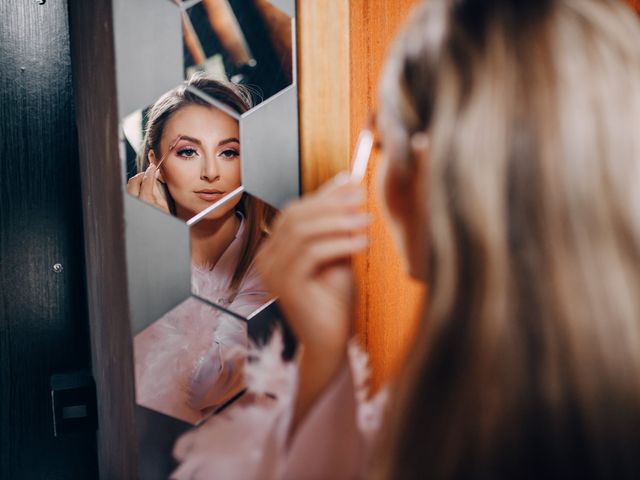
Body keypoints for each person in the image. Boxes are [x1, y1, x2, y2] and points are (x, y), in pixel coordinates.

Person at [171, 0, 640, 477]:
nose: (211, 172)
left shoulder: (468, 434)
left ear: (426, 174)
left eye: (380, 141)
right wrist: (324, 359)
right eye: (187, 152)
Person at [128, 74, 277, 424]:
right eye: (188, 152)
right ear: (156, 165)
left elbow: (205, 385)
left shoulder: (272, 261)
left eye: (228, 152)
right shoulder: (124, 260)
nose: (211, 172)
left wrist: (161, 259)